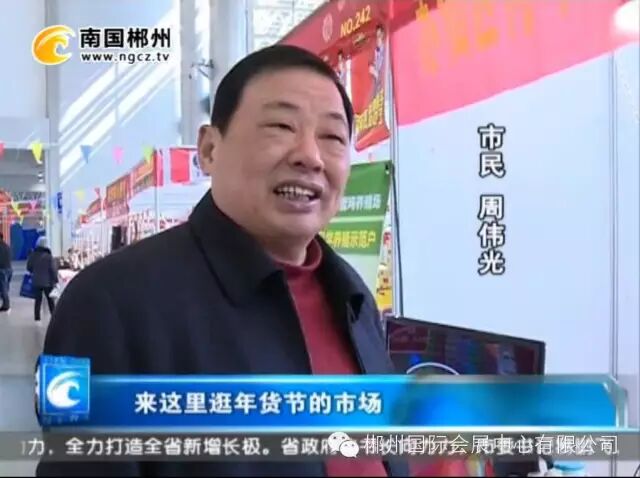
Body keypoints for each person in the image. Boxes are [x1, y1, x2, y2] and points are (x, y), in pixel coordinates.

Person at [37, 45, 408, 477]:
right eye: (281, 126)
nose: (310, 156)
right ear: (210, 149)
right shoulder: (105, 303)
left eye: (332, 137)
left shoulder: (353, 298)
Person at [26, 237, 58, 322]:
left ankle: (37, 318)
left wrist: (34, 271)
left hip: (36, 281)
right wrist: (56, 280)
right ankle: (54, 317)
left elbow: (29, 267)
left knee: (38, 300)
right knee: (50, 300)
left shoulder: (33, 255)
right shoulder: (49, 256)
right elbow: (53, 269)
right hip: (48, 282)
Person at [0, 232, 12, 312]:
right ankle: (5, 303)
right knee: (5, 287)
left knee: (3, 288)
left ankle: (6, 305)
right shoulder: (7, 246)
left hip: (2, 269)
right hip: (9, 269)